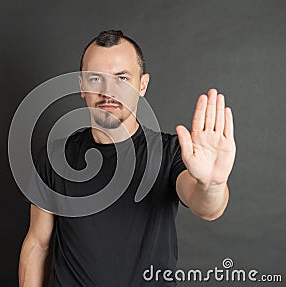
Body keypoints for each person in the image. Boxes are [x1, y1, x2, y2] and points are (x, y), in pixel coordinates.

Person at [19, 30, 236, 287]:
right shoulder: (55, 156)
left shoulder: (169, 152)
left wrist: (211, 185)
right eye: (96, 78)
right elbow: (37, 244)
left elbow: (206, 207)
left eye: (121, 78)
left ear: (142, 85)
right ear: (81, 86)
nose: (108, 92)